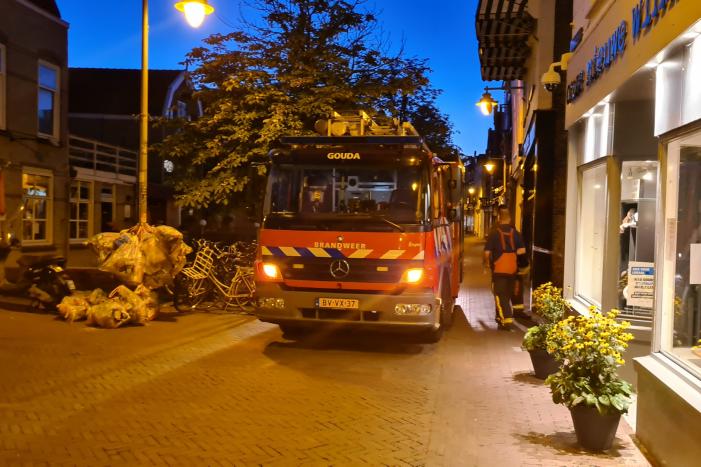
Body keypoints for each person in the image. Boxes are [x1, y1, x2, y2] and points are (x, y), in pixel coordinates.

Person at [483, 205, 528, 329]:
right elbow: (522, 251)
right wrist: (522, 267)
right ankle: (502, 317)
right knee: (508, 294)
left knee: (499, 295)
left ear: (499, 218)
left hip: (499, 270)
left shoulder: (494, 233)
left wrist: (486, 263)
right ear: (510, 219)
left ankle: (506, 320)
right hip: (512, 270)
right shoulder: (516, 233)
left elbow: (487, 253)